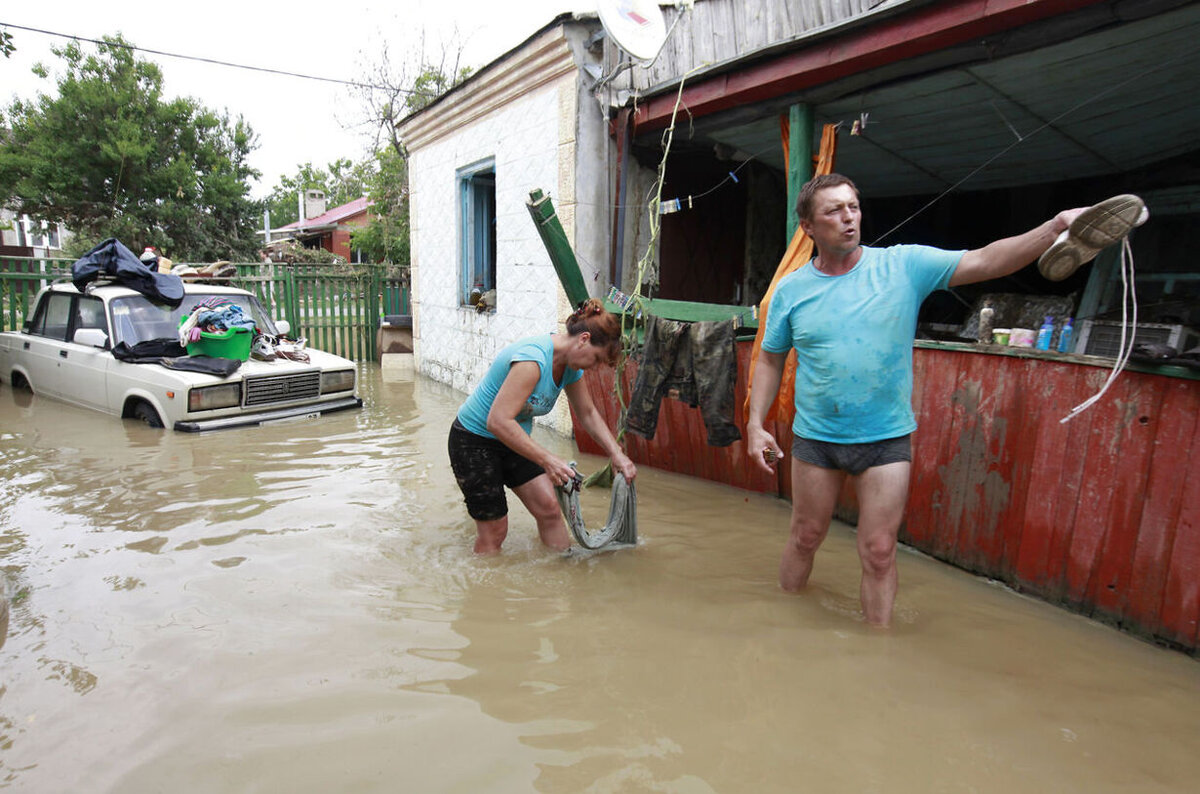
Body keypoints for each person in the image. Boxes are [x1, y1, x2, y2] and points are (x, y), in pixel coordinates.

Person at [747, 173, 1100, 627]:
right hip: (817, 437)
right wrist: (757, 424)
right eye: (834, 211)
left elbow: (987, 260)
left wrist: (1054, 227)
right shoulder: (792, 290)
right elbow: (770, 359)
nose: (849, 218)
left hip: (886, 437)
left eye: (853, 206)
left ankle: (879, 649)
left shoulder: (903, 265)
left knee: (878, 551)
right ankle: (784, 627)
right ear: (809, 227)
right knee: (804, 536)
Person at [448, 298, 637, 554]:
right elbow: (498, 421)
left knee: (549, 510)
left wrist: (617, 454)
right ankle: (485, 587)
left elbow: (588, 413)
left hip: (513, 441)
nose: (592, 368)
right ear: (583, 339)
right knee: (496, 529)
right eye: (595, 359)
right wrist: (548, 460)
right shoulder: (532, 360)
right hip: (473, 442)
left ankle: (561, 582)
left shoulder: (570, 367)